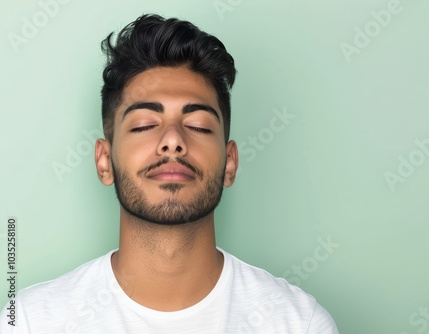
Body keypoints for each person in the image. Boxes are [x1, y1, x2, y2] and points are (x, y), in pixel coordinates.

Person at [1, 14, 339, 333]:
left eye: (198, 125)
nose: (173, 141)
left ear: (230, 163)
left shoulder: (298, 324)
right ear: (104, 162)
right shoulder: (30, 322)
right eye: (146, 124)